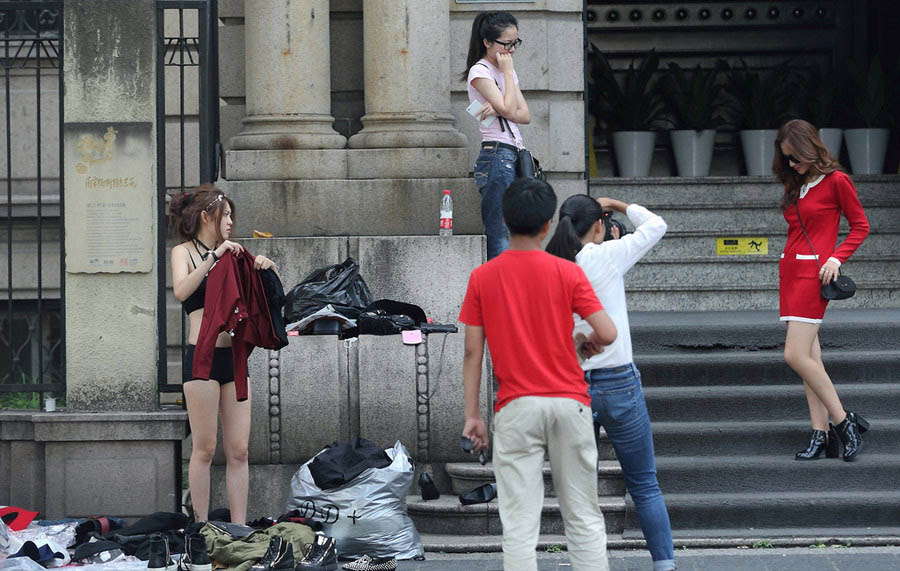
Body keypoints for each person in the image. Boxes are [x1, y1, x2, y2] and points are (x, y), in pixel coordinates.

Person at [459, 178, 617, 571]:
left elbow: (472, 352)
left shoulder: (483, 277)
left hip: (516, 407)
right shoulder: (567, 273)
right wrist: (585, 341)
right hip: (569, 403)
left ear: (505, 220)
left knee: (519, 526)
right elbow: (608, 333)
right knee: (582, 518)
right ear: (548, 225)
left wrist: (472, 416)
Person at [545, 195, 674, 571]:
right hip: (619, 383)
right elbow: (656, 226)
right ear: (599, 225)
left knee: (580, 493)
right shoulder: (607, 255)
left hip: (573, 385)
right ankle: (664, 565)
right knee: (645, 485)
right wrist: (617, 203)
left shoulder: (553, 266)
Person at [169, 184, 276, 524]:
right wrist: (214, 257)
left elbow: (258, 301)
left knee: (239, 451)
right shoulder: (183, 252)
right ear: (205, 216)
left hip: (235, 360)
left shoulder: (234, 253)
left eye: (231, 216)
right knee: (204, 448)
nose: (230, 222)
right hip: (201, 359)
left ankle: (240, 528)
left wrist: (263, 267)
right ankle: (200, 528)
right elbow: (182, 290)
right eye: (225, 215)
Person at [774, 119, 870, 461]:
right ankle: (820, 433)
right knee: (809, 359)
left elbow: (861, 226)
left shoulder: (837, 181)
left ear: (809, 149)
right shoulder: (800, 185)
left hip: (814, 276)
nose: (791, 164)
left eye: (795, 157)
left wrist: (836, 258)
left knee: (794, 355)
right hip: (790, 273)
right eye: (786, 159)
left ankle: (845, 422)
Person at [462, 11, 531, 260]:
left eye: (515, 43)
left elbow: (525, 115)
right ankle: (499, 291)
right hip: (496, 155)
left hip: (514, 153)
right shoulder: (480, 72)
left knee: (514, 228)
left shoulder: (505, 71)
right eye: (506, 43)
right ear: (487, 42)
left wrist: (507, 88)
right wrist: (507, 80)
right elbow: (508, 109)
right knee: (498, 229)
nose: (511, 50)